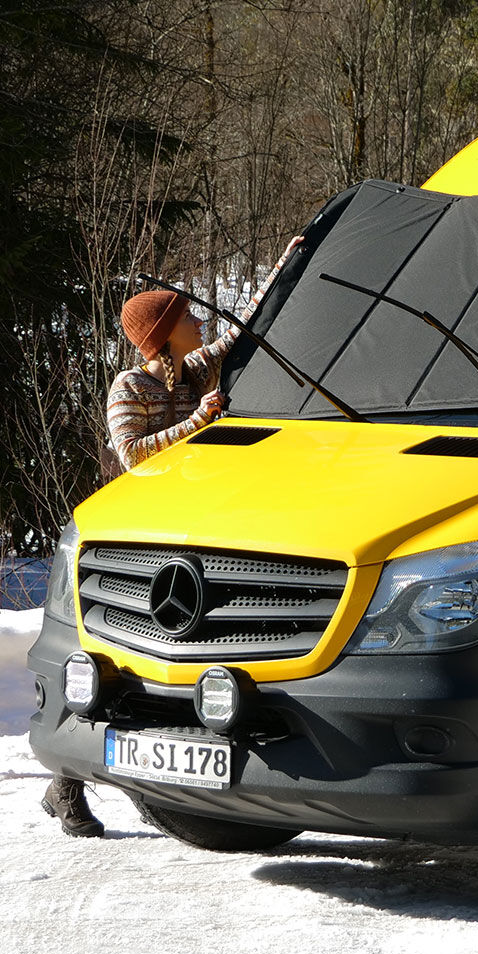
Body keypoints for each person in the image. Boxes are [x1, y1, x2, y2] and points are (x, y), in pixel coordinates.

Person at [41, 237, 299, 838]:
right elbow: (132, 456)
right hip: (134, 537)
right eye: (186, 316)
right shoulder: (129, 388)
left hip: (190, 532)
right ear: (162, 334)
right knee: (110, 668)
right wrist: (197, 422)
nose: (198, 319)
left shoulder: (195, 369)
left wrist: (290, 260)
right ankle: (65, 784)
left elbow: (243, 328)